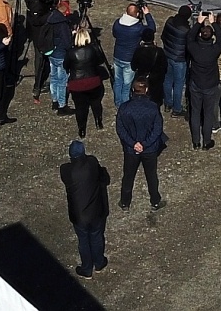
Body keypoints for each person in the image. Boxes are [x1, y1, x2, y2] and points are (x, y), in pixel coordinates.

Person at [60, 140, 111, 280]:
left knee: (83, 240)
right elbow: (103, 176)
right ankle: (99, 263)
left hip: (79, 215)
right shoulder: (92, 163)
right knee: (96, 237)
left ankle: (87, 268)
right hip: (96, 211)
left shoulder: (66, 170)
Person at [115, 81, 168, 211]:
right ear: (147, 90)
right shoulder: (153, 107)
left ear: (132, 90)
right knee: (151, 176)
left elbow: (120, 129)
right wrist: (145, 144)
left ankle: (125, 202)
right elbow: (157, 129)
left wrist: (133, 144)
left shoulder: (124, 108)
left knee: (128, 176)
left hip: (131, 150)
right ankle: (155, 201)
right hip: (149, 149)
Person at [184, 14, 221, 150]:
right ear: (211, 36)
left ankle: (196, 141)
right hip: (210, 84)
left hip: (196, 83)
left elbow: (189, 37)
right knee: (208, 113)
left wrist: (198, 23)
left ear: (201, 35)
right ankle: (206, 141)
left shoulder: (194, 48)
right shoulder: (214, 50)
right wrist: (214, 23)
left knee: (195, 113)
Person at [65, 25, 110, 139]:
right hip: (93, 81)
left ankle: (82, 129)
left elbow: (65, 65)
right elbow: (100, 61)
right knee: (96, 102)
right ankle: (98, 121)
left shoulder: (71, 52)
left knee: (80, 108)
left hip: (77, 84)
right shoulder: (93, 49)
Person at [110, 2, 155, 106]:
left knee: (118, 82)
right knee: (127, 84)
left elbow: (114, 34)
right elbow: (151, 29)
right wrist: (147, 14)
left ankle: (117, 103)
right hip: (129, 59)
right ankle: (125, 105)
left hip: (117, 56)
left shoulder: (117, 23)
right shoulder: (138, 28)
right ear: (137, 14)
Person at [45, 0, 75, 115]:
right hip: (61, 55)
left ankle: (54, 100)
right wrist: (72, 35)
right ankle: (62, 106)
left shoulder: (50, 19)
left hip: (51, 52)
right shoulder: (62, 24)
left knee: (54, 78)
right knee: (62, 80)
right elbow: (67, 43)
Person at [160, 5, 192, 118]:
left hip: (167, 54)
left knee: (167, 79)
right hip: (180, 59)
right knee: (178, 84)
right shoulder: (186, 30)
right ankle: (177, 109)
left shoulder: (169, 21)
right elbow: (189, 47)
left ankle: (168, 103)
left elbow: (163, 36)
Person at [131, 31, 167, 105]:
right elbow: (164, 66)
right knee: (155, 101)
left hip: (143, 78)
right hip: (156, 79)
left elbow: (133, 67)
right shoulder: (159, 51)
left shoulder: (138, 51)